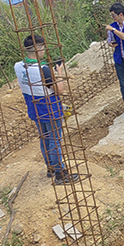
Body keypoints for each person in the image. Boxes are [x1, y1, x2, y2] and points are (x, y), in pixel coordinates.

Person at [14, 34, 79, 185]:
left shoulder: (19, 66)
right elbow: (59, 90)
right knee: (55, 140)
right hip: (50, 108)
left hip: (34, 108)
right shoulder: (44, 69)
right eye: (42, 47)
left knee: (45, 138)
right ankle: (60, 173)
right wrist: (59, 73)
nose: (44, 51)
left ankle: (50, 167)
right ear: (37, 48)